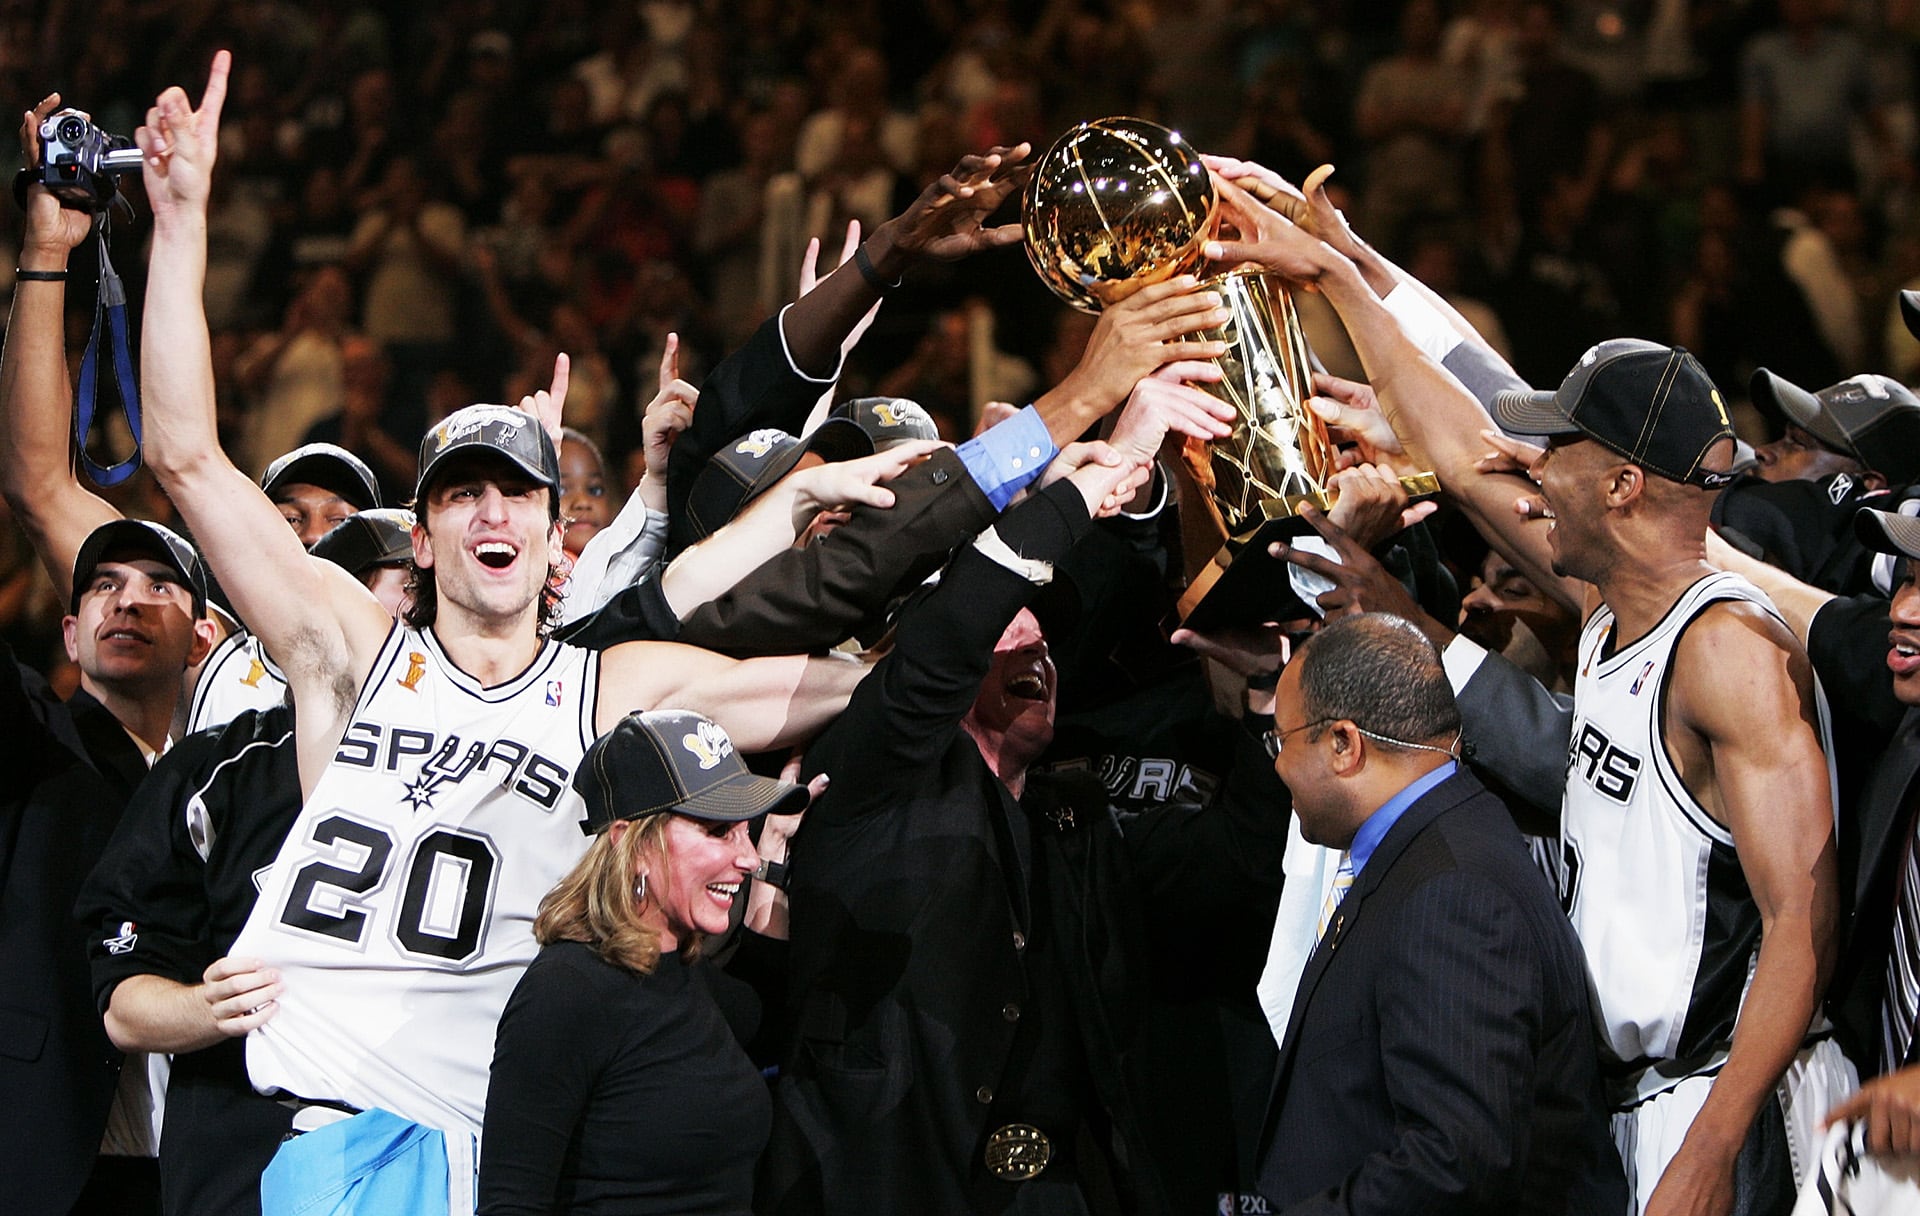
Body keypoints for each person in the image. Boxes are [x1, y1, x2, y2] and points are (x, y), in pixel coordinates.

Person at [131, 55, 871, 1213]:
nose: (491, 511)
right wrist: (180, 222)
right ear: (421, 538)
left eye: (515, 491)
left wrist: (997, 528)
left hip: (515, 1151)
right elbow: (185, 456)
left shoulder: (604, 683)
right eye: (461, 493)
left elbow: (834, 688)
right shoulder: (348, 650)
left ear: (548, 524)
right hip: (338, 1145)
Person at [1206, 175, 1846, 1213]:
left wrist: (1714, 1146)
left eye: (1560, 447)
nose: (1533, 462)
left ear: (1626, 485)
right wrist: (1335, 275)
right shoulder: (1610, 599)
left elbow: (1798, 923)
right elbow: (1461, 456)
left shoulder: (1725, 647)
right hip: (1625, 1099)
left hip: (1725, 1101)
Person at [78, 508, 415, 1216]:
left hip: (426, 1149)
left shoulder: (494, 771)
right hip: (241, 1166)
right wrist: (208, 1008)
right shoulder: (216, 772)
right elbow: (123, 1003)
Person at [1257, 613, 1624, 1211]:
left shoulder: (1451, 894)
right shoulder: (1435, 847)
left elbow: (1455, 1161)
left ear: (1344, 744)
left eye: (1281, 740)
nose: (1277, 765)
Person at [479, 710, 810, 1215]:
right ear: (631, 844)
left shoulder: (683, 973)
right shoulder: (567, 991)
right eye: (719, 831)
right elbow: (513, 1202)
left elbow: (766, 1013)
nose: (744, 858)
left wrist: (775, 855)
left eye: (746, 832)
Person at [1, 521, 215, 1216]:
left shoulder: (230, 785)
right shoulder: (33, 738)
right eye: (104, 585)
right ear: (70, 635)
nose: (127, 603)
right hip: (48, 1158)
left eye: (159, 585)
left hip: (187, 1170)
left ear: (204, 638)